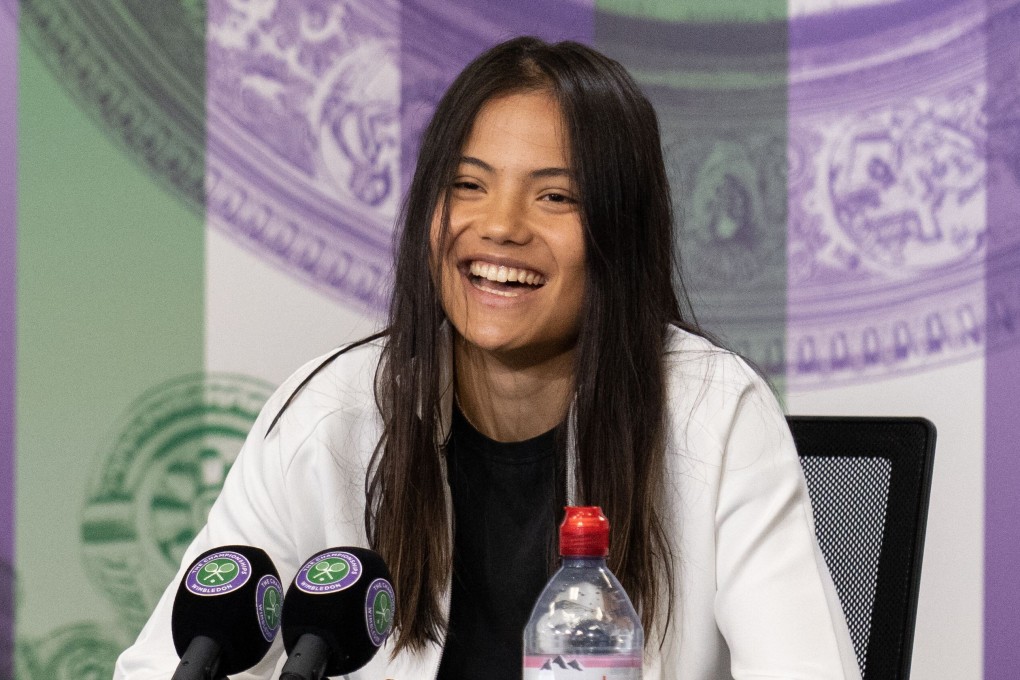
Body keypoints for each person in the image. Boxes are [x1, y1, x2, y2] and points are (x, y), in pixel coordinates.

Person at [114, 37, 860, 679]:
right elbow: (168, 662)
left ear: (620, 233)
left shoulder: (711, 416)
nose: (498, 227)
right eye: (468, 185)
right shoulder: (332, 415)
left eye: (555, 197)